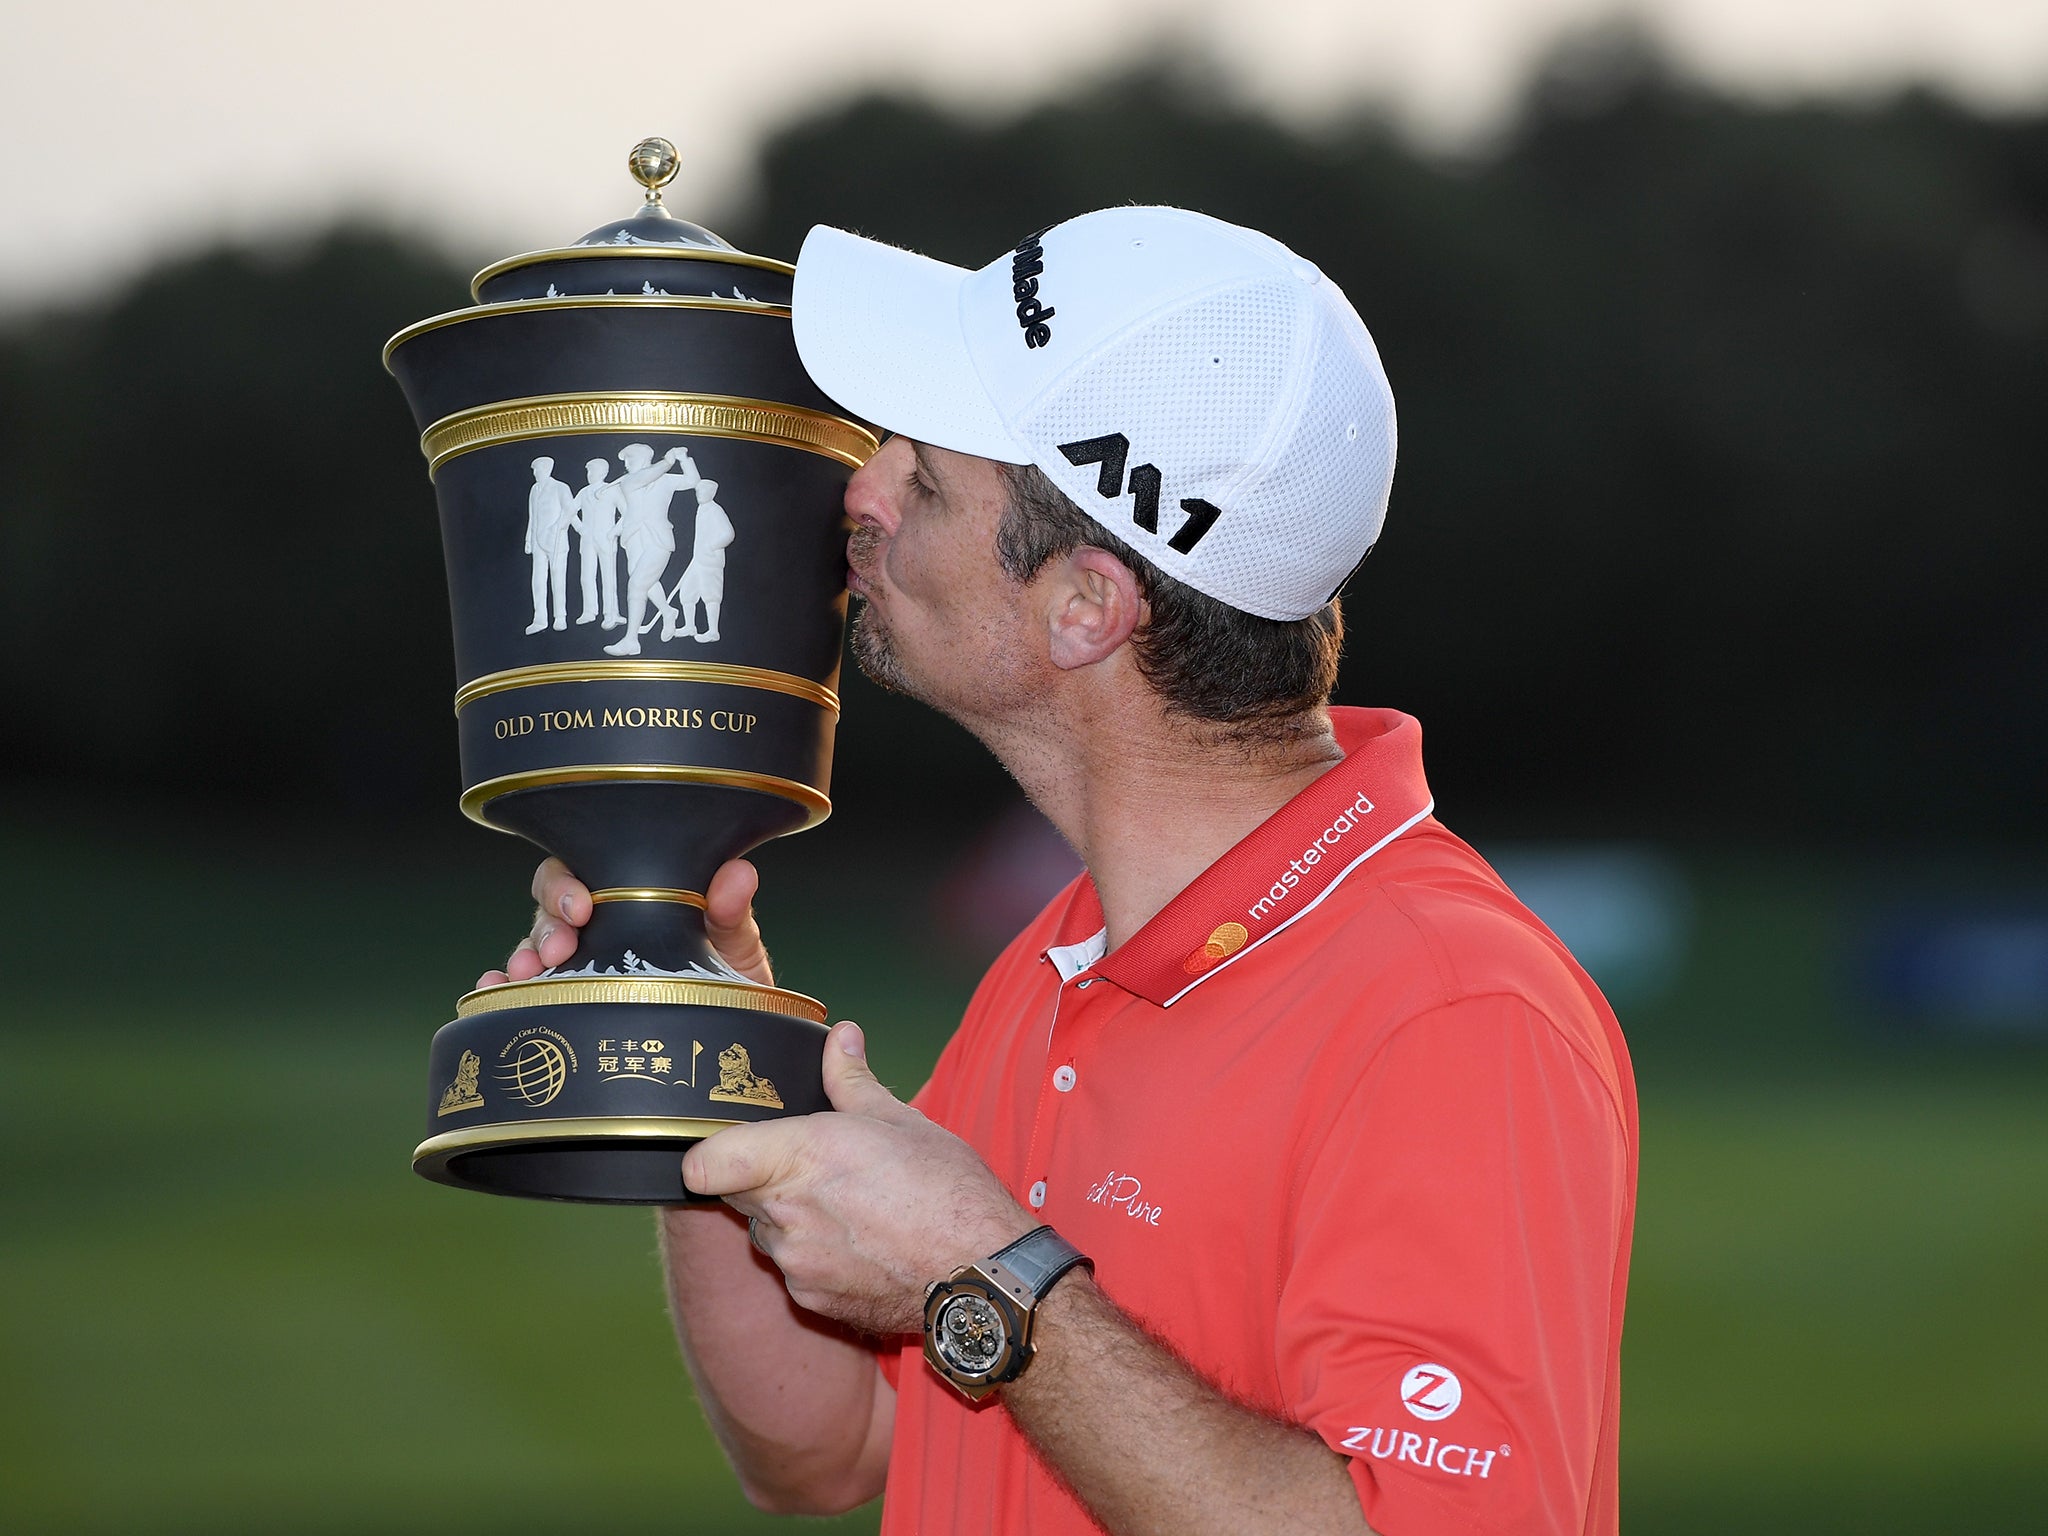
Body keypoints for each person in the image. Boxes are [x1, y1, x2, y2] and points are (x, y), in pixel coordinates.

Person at [485, 207, 1638, 1535]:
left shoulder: (1449, 1009)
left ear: (1087, 607)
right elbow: (826, 1447)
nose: (859, 486)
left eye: (921, 473)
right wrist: (702, 1036)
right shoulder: (1064, 959)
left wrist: (981, 1268)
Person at [603, 443, 695, 656]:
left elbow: (692, 481)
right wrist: (668, 461)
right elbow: (643, 479)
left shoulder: (665, 479)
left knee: (636, 585)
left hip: (658, 537)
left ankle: (631, 640)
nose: (625, 464)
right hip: (634, 537)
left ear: (643, 458)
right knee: (646, 582)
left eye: (629, 458)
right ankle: (668, 612)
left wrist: (683, 459)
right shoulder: (628, 481)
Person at [671, 477, 735, 642]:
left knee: (711, 595)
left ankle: (713, 631)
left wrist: (711, 546)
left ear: (712, 493)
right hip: (697, 560)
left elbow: (728, 533)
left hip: (711, 561)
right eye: (698, 491)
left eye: (703, 491)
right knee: (686, 592)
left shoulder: (715, 510)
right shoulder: (702, 509)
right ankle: (690, 626)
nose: (699, 494)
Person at [522, 456, 575, 634]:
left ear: (546, 469)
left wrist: (556, 528)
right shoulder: (534, 490)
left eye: (536, 469)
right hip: (538, 541)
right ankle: (540, 619)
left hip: (556, 541)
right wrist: (528, 539)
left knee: (558, 579)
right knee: (537, 581)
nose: (534, 472)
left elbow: (569, 510)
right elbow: (532, 516)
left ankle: (560, 617)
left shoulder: (560, 487)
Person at [572, 457, 626, 629]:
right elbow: (570, 511)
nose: (589, 474)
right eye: (588, 471)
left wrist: (615, 531)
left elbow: (627, 513)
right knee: (586, 577)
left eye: (592, 471)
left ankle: (611, 613)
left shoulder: (612, 490)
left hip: (606, 539)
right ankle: (589, 611)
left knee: (608, 577)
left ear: (603, 472)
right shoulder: (584, 492)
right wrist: (580, 528)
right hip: (587, 540)